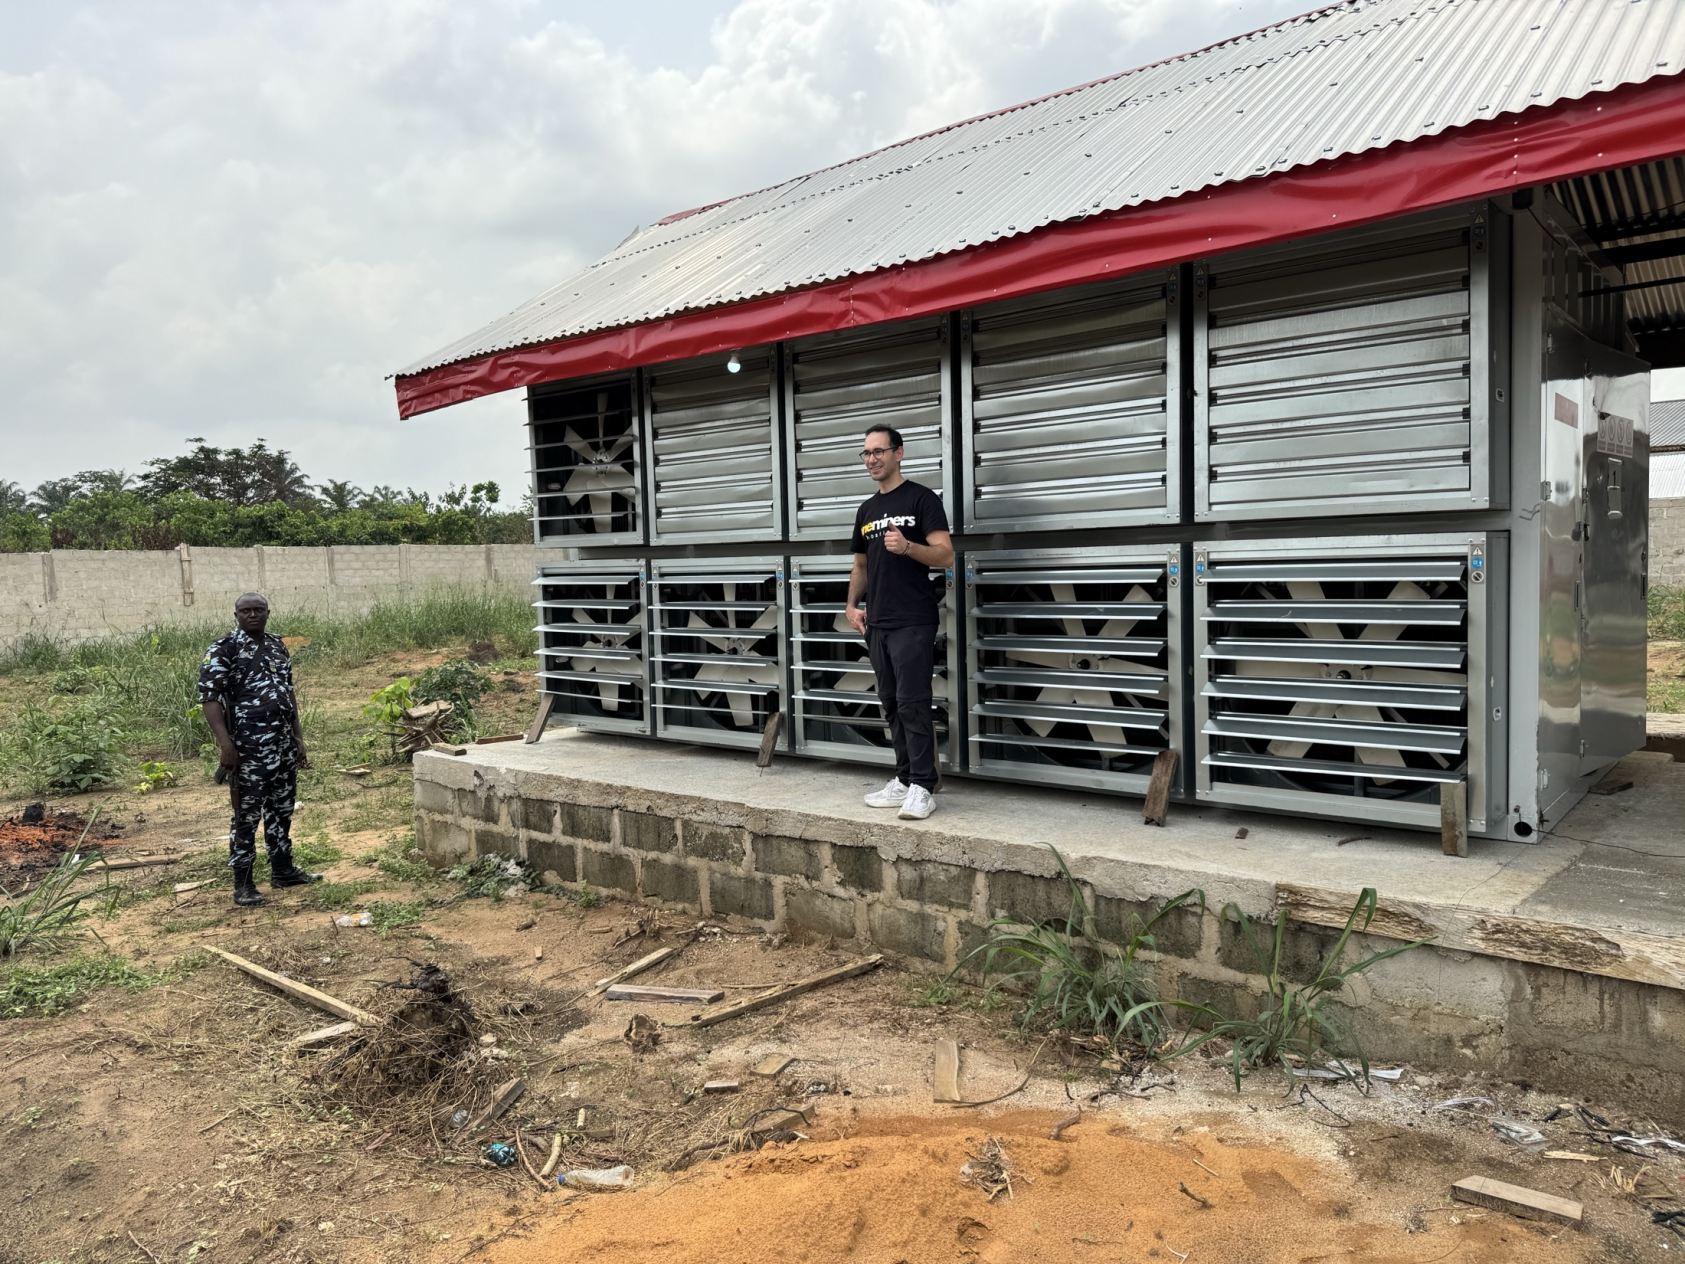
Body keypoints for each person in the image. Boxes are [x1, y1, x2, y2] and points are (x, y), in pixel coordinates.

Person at [846, 424, 954, 821]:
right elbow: (861, 565)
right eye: (866, 453)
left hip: (913, 619)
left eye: (879, 451)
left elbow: (946, 555)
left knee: (913, 703)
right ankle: (906, 779)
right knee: (891, 703)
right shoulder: (866, 510)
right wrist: (851, 605)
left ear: (899, 453)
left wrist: (908, 547)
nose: (872, 459)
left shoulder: (922, 499)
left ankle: (924, 785)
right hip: (878, 621)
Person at [198, 592, 320, 906]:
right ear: (236, 615)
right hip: (247, 748)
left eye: (258, 610)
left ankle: (283, 871)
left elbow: (288, 693)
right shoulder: (223, 649)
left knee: (282, 810)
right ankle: (243, 884)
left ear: (268, 612)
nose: (252, 615)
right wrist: (226, 745)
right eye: (246, 611)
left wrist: (298, 738)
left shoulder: (278, 645)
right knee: (246, 816)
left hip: (282, 745)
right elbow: (210, 699)